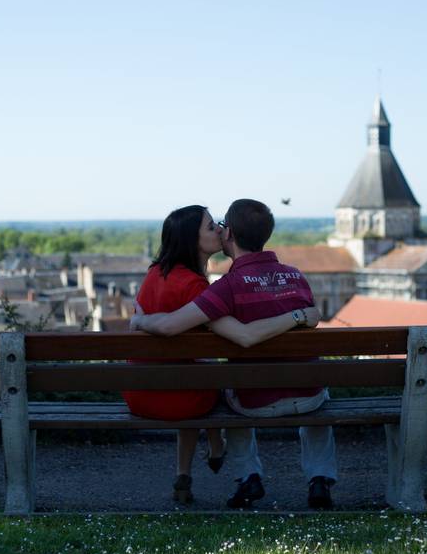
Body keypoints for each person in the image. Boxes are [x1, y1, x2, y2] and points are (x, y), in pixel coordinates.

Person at [130, 199, 337, 509]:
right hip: (309, 397)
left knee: (232, 394)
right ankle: (319, 479)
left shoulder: (224, 288)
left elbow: (179, 326)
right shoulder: (296, 277)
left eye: (221, 226)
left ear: (230, 237)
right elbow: (299, 318)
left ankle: (247, 476)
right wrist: (300, 316)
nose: (219, 230)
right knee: (320, 391)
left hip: (253, 403)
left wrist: (140, 320)